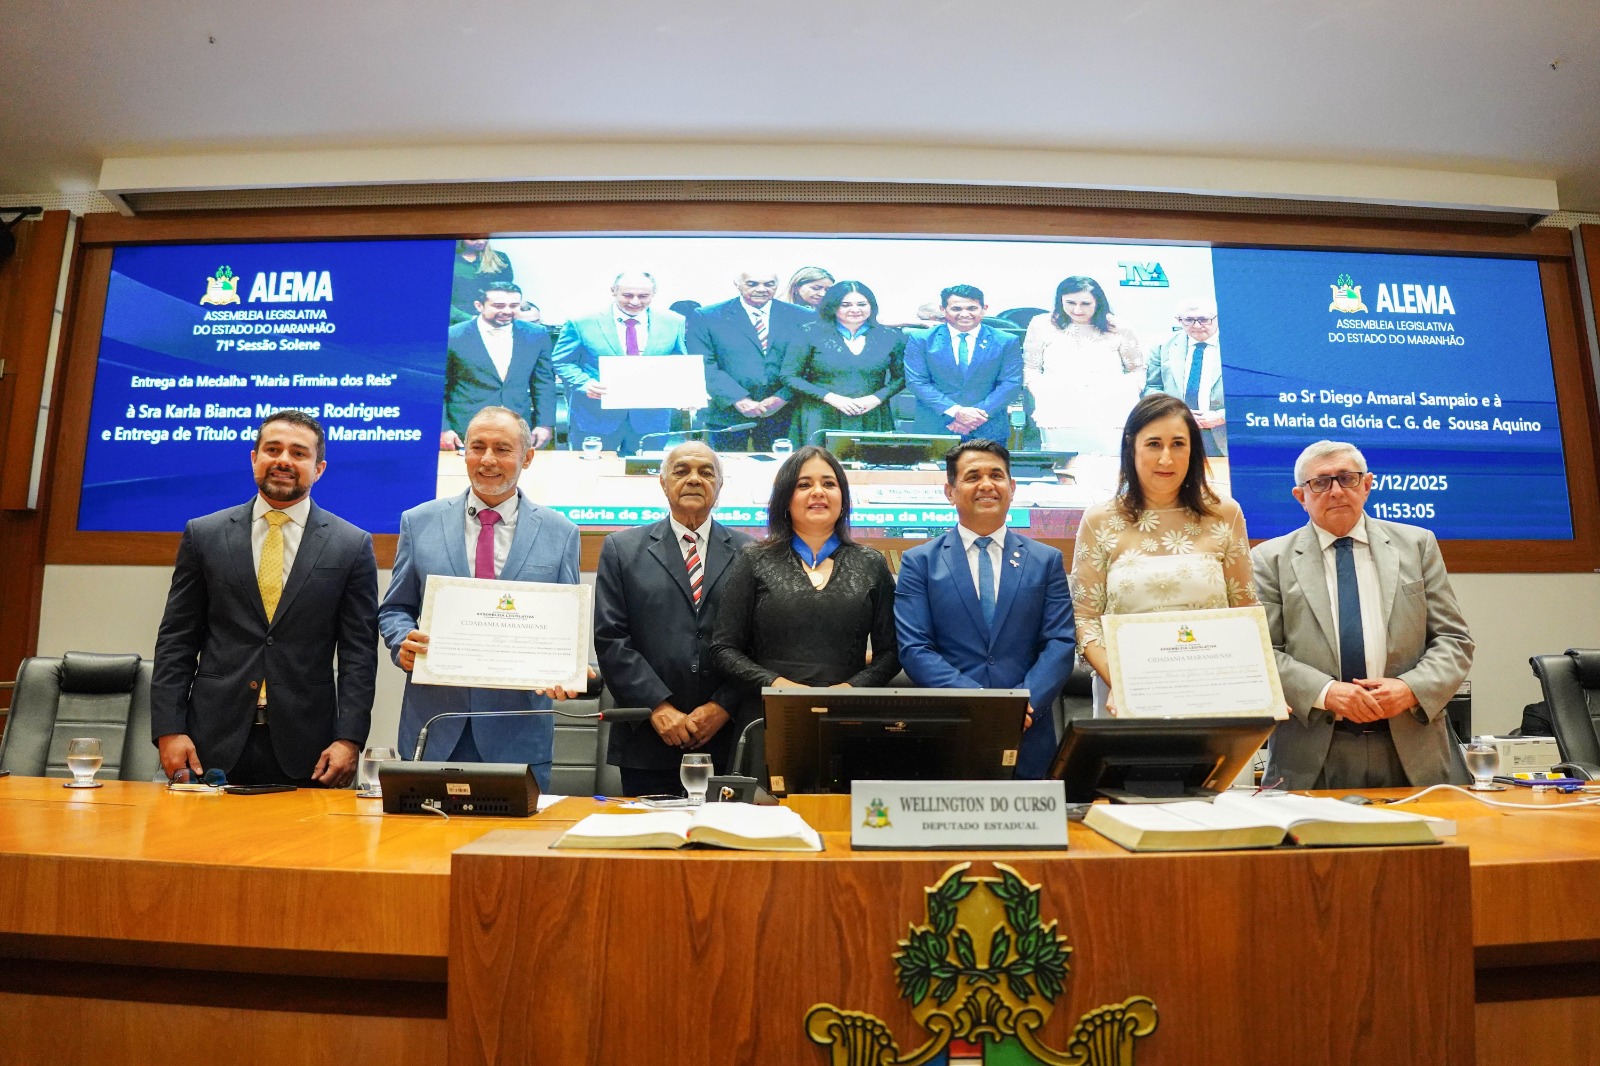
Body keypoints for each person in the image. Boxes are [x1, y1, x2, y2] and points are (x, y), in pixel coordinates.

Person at [151, 410, 378, 787]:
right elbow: (177, 640)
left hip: (310, 747)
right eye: (273, 450)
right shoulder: (204, 534)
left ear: (319, 468)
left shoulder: (351, 545)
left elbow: (359, 654)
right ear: (254, 458)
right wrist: (169, 729)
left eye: (299, 453)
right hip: (209, 742)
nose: (283, 460)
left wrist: (349, 739)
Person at [379, 406, 581, 787]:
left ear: (527, 457)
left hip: (517, 735)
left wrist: (566, 668)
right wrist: (402, 641)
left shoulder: (561, 533)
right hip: (433, 727)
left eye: (502, 449)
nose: (487, 459)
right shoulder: (418, 522)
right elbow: (395, 609)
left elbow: (565, 625)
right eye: (477, 447)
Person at [1252, 440, 1473, 789]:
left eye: (1347, 478)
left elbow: (1454, 640)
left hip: (1411, 747)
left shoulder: (1417, 545)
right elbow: (1263, 653)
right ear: (1300, 496)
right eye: (1320, 482)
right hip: (1311, 753)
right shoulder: (1269, 560)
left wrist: (1410, 688)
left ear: (1367, 485)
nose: (1336, 491)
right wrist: (1326, 692)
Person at [895, 440, 1075, 778]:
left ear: (1012, 487)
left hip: (1027, 732)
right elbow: (914, 648)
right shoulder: (920, 562)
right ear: (950, 492)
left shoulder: (1046, 560)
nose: (987, 484)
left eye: (996, 475)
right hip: (949, 730)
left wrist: (1021, 705)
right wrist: (982, 704)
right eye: (973, 476)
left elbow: (1060, 643)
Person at [1071, 394, 1258, 715]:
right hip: (1125, 696)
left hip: (1213, 693)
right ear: (1131, 446)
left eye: (1178, 444)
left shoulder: (1225, 514)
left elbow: (1245, 611)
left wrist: (1258, 684)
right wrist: (1125, 683)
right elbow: (1084, 618)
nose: (1166, 459)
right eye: (1154, 444)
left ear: (1193, 449)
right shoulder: (1099, 520)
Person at [594, 442, 755, 795]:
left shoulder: (752, 552)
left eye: (706, 472)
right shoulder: (622, 549)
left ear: (720, 486)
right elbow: (611, 639)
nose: (694, 479)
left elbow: (759, 643)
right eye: (682, 471)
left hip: (728, 738)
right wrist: (657, 706)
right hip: (648, 738)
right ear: (663, 483)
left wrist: (722, 707)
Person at [710, 446, 900, 734]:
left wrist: (850, 689)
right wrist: (778, 686)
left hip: (846, 715)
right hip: (768, 713)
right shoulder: (754, 559)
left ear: (843, 498)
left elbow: (891, 653)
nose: (818, 492)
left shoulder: (871, 562)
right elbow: (724, 649)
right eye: (804, 485)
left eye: (829, 484)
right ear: (786, 499)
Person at [552, 271, 688, 454]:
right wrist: (584, 383)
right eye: (627, 295)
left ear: (654, 293)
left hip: (651, 419)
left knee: (644, 470)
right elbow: (562, 361)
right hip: (595, 416)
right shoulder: (581, 322)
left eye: (643, 296)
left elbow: (680, 364)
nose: (635, 302)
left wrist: (687, 391)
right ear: (613, 291)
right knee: (592, 469)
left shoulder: (673, 322)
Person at [689, 268, 812, 450]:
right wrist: (738, 399)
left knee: (783, 467)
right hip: (726, 412)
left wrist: (782, 397)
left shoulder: (803, 316)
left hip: (785, 412)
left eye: (769, 284)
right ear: (737, 284)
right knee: (727, 466)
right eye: (752, 284)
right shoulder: (707, 316)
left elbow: (809, 363)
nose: (761, 289)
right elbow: (703, 363)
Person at [1024, 276, 1144, 454]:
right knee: (1063, 465)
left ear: (1098, 302)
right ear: (1060, 301)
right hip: (1058, 409)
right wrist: (1041, 393)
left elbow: (1137, 370)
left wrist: (1124, 395)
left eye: (1086, 304)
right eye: (1070, 303)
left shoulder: (1120, 327)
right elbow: (1031, 368)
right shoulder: (1041, 324)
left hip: (1109, 412)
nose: (1077, 310)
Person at [778, 281, 905, 443]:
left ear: (871, 306)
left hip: (871, 414)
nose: (855, 310)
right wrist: (831, 398)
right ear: (832, 306)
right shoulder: (809, 333)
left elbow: (901, 377)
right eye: (845, 305)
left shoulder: (890, 336)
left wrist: (876, 398)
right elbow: (789, 376)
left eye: (861, 304)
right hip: (820, 414)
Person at [441, 282, 556, 451]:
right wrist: (443, 429)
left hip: (518, 428)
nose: (507, 311)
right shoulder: (453, 337)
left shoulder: (536, 335)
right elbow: (438, 388)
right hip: (465, 428)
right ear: (479, 306)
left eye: (514, 306)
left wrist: (545, 424)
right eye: (499, 306)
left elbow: (544, 383)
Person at [902, 284, 1023, 443]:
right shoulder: (922, 339)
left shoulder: (1006, 341)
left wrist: (975, 416)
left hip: (988, 428)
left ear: (984, 309)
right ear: (943, 309)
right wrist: (956, 412)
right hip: (936, 427)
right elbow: (916, 382)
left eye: (972, 308)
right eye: (956, 309)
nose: (964, 314)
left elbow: (1011, 383)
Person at [1143, 298, 1226, 457]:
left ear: (1218, 317)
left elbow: (1254, 395)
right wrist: (1174, 412)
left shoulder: (1238, 349)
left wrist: (1222, 416)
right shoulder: (1161, 347)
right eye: (1189, 320)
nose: (1196, 325)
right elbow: (1152, 388)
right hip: (1174, 430)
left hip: (1224, 433)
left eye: (1204, 319)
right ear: (1178, 320)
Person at [450, 238, 514, 322]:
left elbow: (507, 291)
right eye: (473, 239)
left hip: (495, 315)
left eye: (485, 237)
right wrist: (468, 318)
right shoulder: (448, 259)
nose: (481, 241)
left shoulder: (500, 258)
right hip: (457, 317)